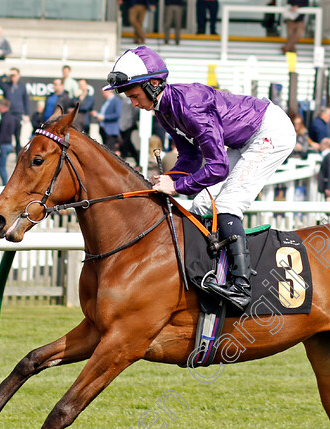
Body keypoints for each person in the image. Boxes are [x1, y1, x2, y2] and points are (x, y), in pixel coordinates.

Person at [104, 46, 295, 310]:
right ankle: (213, 274)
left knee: (228, 205)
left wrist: (177, 185)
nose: (134, 103)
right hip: (244, 140)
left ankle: (241, 286)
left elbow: (218, 167)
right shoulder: (164, 110)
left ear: (154, 84)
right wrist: (166, 180)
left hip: (270, 131)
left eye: (135, 96)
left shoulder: (189, 106)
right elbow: (190, 158)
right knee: (201, 206)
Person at [0, 68, 29, 151]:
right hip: (7, 113)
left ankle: (18, 156)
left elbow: (26, 100)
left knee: (17, 136)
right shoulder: (6, 85)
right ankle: (2, 151)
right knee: (5, 134)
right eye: (12, 75)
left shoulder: (22, 86)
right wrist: (6, 74)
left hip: (18, 113)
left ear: (18, 76)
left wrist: (27, 114)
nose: (13, 77)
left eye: (14, 75)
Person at [0, 98, 17, 185]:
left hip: (4, 145)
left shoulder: (5, 118)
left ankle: (5, 184)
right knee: (0, 165)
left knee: (1, 166)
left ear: (2, 107)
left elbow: (3, 134)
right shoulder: (10, 117)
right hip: (8, 144)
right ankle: (5, 184)